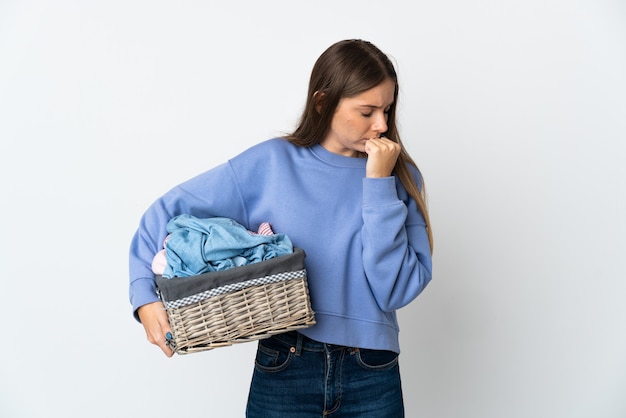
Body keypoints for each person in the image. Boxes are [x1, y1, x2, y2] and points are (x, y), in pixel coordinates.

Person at [129, 38, 433, 417]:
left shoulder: (399, 178)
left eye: (387, 110)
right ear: (323, 103)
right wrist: (144, 296)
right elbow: (167, 210)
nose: (382, 125)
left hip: (372, 370)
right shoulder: (272, 163)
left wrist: (377, 186)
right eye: (367, 111)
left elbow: (393, 291)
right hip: (285, 363)